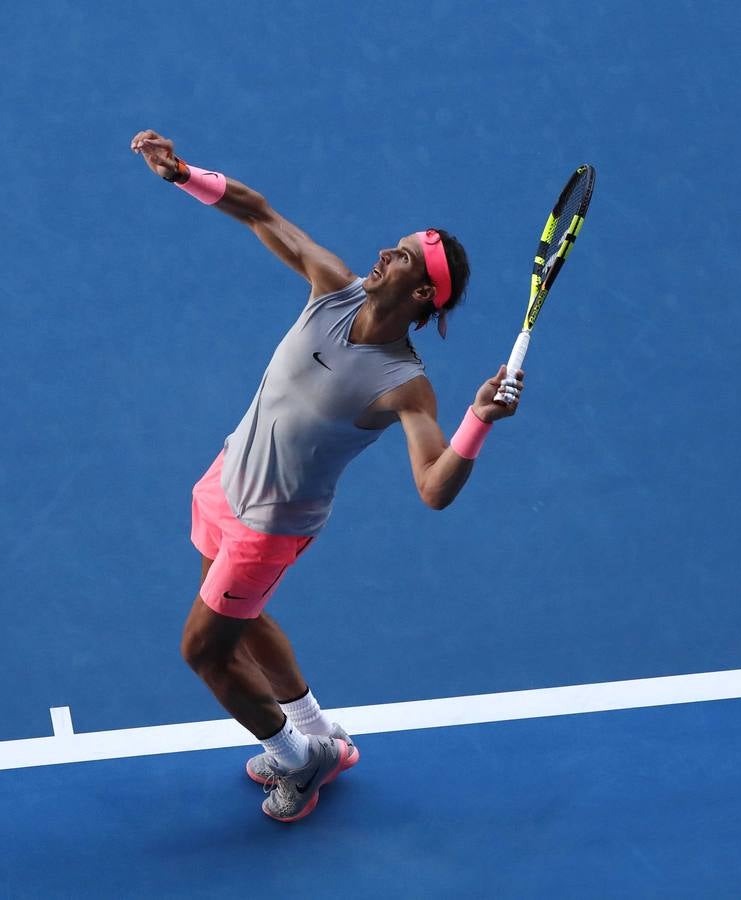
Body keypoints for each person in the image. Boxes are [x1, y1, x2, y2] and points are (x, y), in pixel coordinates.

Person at [130, 130, 523, 823]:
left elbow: (434, 488)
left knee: (204, 651)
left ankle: (297, 760)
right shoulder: (331, 288)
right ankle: (318, 733)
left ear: (425, 292)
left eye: (400, 256)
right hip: (225, 480)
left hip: (268, 527)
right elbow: (259, 212)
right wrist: (180, 172)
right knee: (240, 625)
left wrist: (477, 420)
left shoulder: (407, 385)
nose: (383, 253)